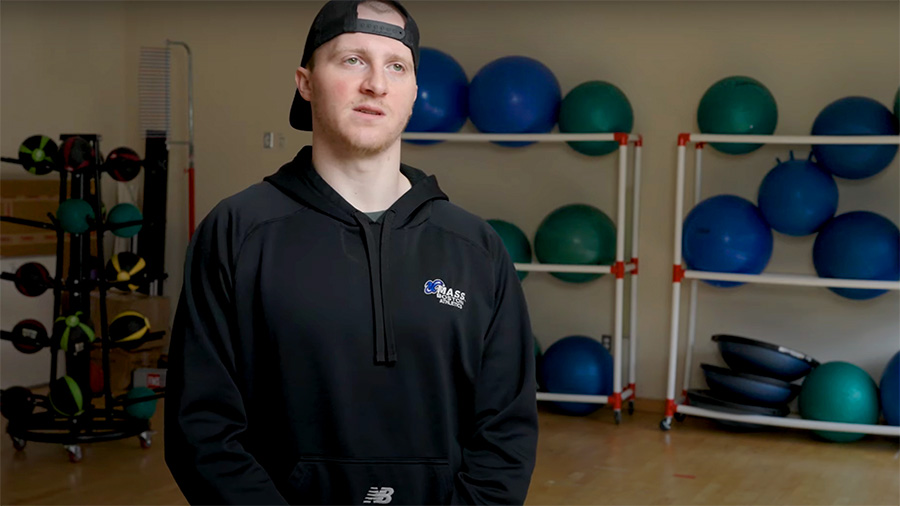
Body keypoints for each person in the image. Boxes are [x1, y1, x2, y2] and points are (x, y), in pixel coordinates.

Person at [164, 1, 538, 504]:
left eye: (396, 66)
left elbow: (506, 433)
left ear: (412, 96)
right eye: (352, 60)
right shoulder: (237, 231)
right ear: (305, 82)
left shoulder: (476, 249)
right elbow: (201, 429)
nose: (376, 84)